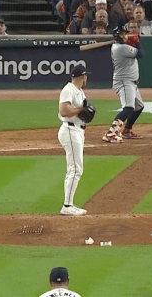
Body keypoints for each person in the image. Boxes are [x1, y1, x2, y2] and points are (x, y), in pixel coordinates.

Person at [57, 65, 94, 216]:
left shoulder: (80, 91)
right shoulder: (69, 89)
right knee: (75, 169)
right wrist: (80, 110)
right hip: (70, 130)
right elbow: (64, 111)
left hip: (78, 131)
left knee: (75, 168)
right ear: (83, 76)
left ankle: (69, 204)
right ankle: (67, 206)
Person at [103, 22, 146, 143]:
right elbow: (141, 54)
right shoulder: (122, 48)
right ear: (119, 36)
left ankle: (127, 130)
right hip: (124, 82)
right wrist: (137, 42)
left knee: (139, 107)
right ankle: (111, 132)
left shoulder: (119, 46)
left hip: (131, 82)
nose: (126, 35)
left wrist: (130, 41)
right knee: (128, 108)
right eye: (124, 33)